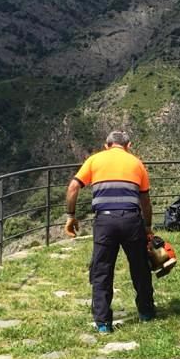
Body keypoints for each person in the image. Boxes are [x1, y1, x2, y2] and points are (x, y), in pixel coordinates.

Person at [64, 131, 156, 334]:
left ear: (106, 145)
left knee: (102, 270)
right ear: (128, 145)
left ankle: (103, 323)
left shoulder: (94, 160)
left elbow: (73, 188)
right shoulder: (136, 163)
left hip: (104, 221)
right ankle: (146, 312)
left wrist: (71, 216)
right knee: (140, 267)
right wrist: (147, 227)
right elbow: (145, 201)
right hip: (132, 220)